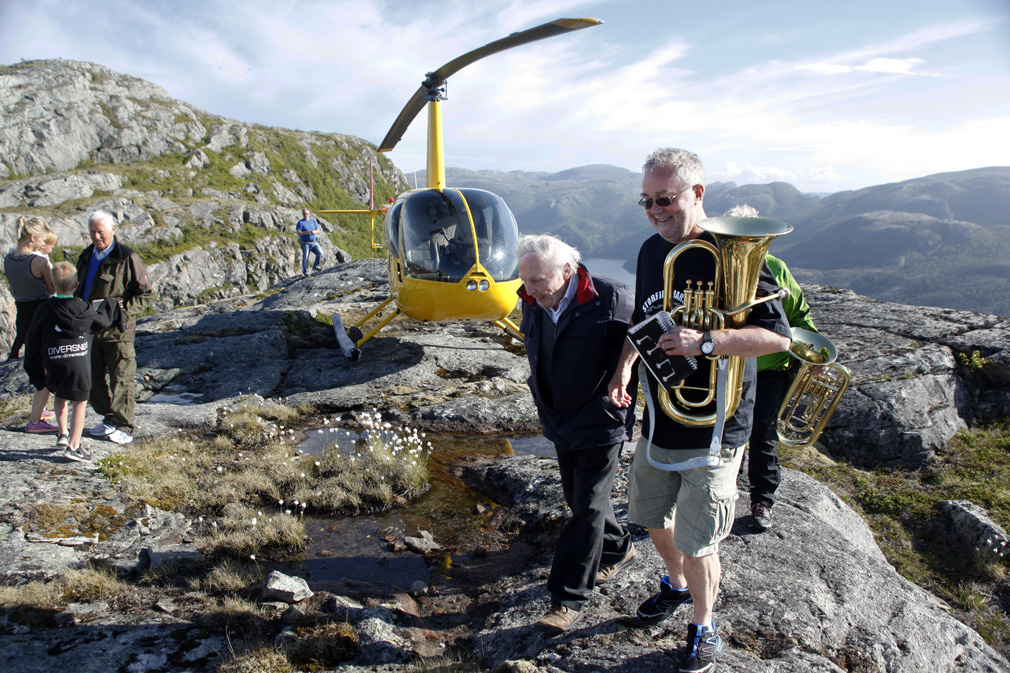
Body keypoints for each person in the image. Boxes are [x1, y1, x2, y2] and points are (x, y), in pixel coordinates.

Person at [607, 149, 791, 673]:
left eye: (665, 199)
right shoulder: (649, 251)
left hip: (716, 426)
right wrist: (624, 368)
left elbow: (776, 339)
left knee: (700, 538)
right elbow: (643, 323)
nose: (655, 210)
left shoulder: (736, 251)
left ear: (697, 195)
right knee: (649, 516)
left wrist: (706, 341)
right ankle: (676, 584)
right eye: (646, 201)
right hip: (661, 416)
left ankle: (702, 625)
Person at [516, 233, 638, 635]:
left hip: (601, 419)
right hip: (559, 418)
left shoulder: (610, 297)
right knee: (580, 497)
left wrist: (623, 376)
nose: (529, 290)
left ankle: (568, 599)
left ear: (566, 271)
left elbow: (639, 340)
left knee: (584, 507)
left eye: (538, 280)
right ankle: (619, 548)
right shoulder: (532, 299)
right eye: (525, 280)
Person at [723, 205, 818, 532]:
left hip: (768, 368)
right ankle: (723, 490)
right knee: (724, 431)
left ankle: (762, 499)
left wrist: (813, 351)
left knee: (763, 434)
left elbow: (798, 315)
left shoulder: (776, 269)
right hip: (729, 366)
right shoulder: (715, 265)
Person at [24, 262, 119, 461]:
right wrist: (111, 304)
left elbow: (32, 337)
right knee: (80, 403)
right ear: (76, 284)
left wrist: (35, 364)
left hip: (54, 361)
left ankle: (63, 434)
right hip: (79, 363)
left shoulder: (45, 309)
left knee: (59, 396)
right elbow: (101, 321)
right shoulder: (83, 308)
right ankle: (74, 447)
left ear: (52, 283)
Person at [75, 210, 154, 446]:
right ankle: (108, 419)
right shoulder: (86, 256)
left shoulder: (127, 257)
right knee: (92, 380)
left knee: (122, 378)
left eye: (100, 231)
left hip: (117, 332)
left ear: (113, 229)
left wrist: (121, 314)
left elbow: (146, 293)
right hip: (90, 329)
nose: (96, 236)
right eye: (92, 232)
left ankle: (124, 426)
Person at [4, 217, 58, 431]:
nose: (42, 246)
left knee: (33, 360)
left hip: (23, 312)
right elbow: (52, 289)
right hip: (41, 313)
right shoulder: (39, 262)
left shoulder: (9, 257)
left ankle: (39, 407)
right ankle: (36, 419)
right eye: (41, 241)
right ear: (34, 237)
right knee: (45, 365)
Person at [295, 208, 323, 276]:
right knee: (306, 258)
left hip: (314, 242)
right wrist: (306, 233)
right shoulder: (300, 222)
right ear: (302, 214)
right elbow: (298, 233)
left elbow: (318, 230)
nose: (305, 215)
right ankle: (305, 272)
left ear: (309, 214)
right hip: (305, 243)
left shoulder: (313, 221)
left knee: (320, 253)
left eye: (307, 213)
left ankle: (316, 266)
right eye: (304, 214)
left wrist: (315, 231)